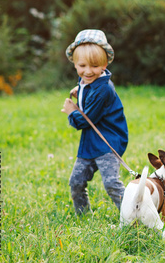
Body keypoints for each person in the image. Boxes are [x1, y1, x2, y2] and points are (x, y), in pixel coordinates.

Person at [61, 29, 128, 215]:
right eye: (82, 66)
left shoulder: (103, 89)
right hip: (91, 144)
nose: (88, 71)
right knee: (76, 181)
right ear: (74, 64)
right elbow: (86, 85)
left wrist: (71, 112)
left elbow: (84, 121)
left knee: (111, 183)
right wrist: (80, 91)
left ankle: (132, 215)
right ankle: (83, 216)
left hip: (108, 142)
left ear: (105, 64)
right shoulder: (88, 82)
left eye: (95, 66)